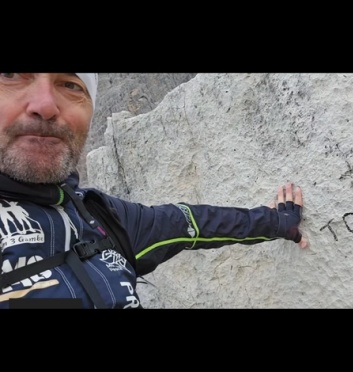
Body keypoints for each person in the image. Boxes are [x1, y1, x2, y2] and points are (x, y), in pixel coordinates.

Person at [0, 73, 307, 309]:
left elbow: (192, 223)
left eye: (70, 84)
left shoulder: (99, 217)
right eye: (12, 75)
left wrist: (279, 223)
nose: (45, 105)